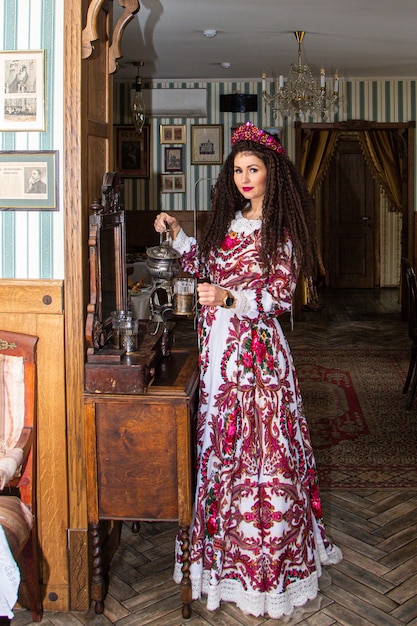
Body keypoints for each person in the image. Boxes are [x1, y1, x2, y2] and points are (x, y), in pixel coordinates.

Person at [154, 120, 342, 621]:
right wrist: (177, 235)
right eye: (237, 169)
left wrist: (230, 297)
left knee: (265, 457)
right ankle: (222, 562)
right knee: (224, 451)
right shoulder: (228, 224)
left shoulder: (281, 232)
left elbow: (280, 296)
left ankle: (269, 565)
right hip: (220, 356)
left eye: (252, 169)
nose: (243, 177)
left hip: (260, 360)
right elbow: (204, 265)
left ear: (271, 173)